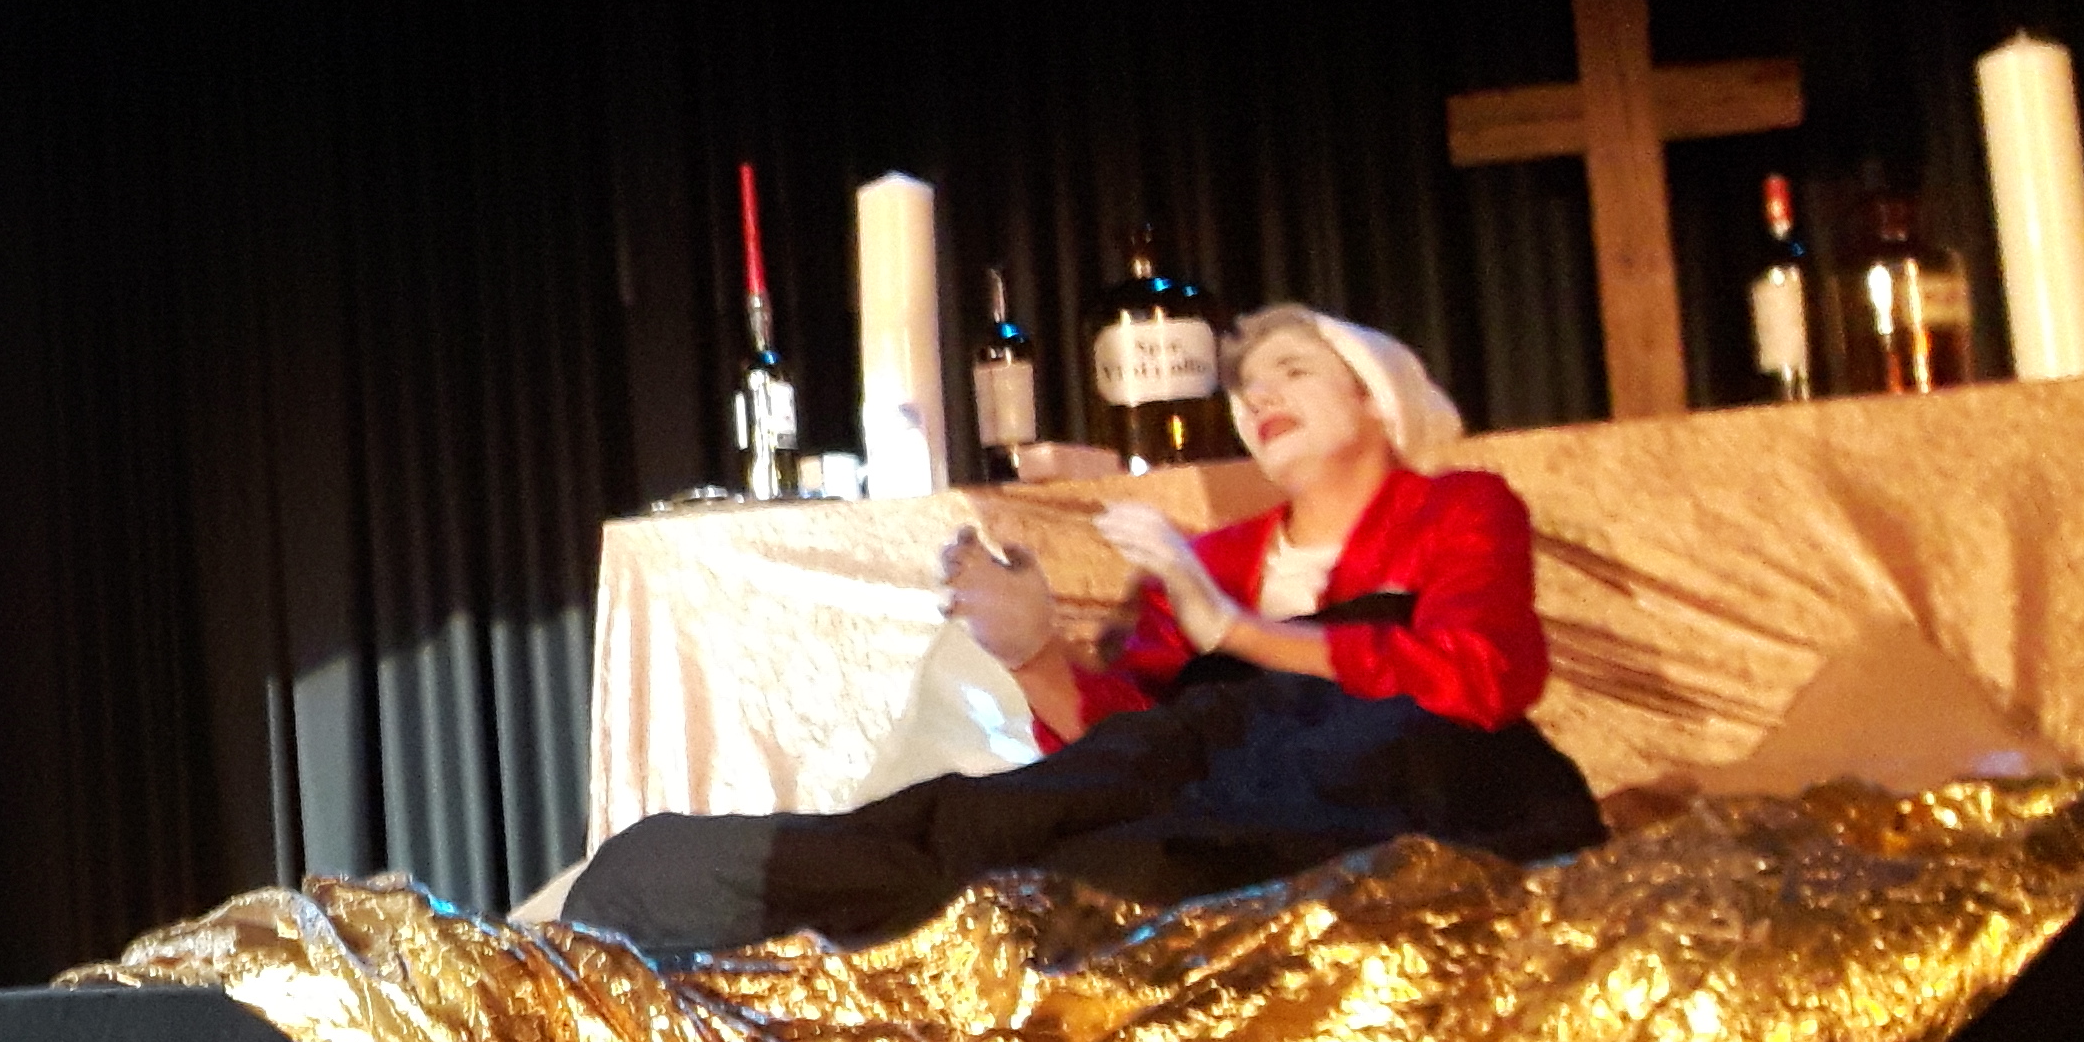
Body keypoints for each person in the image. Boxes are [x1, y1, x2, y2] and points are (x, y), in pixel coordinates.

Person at [562, 305, 1602, 952]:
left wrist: (1237, 633)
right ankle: (733, 881)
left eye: (1293, 369)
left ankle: (962, 934)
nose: (1259, 395)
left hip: (1401, 758)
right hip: (1209, 750)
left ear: (1377, 400)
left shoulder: (1461, 510)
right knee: (993, 823)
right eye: (1249, 384)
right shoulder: (1211, 558)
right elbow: (1128, 742)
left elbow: (1481, 677)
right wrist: (1037, 652)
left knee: (1123, 875)